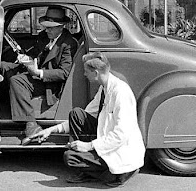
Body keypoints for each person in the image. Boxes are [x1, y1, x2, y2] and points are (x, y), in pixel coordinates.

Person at [29, 52, 145, 188]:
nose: (84, 74)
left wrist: (88, 146)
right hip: (107, 143)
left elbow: (121, 135)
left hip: (121, 151)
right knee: (76, 114)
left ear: (95, 73)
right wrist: (51, 130)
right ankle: (94, 170)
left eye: (86, 72)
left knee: (70, 158)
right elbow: (86, 114)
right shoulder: (104, 88)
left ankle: (120, 174)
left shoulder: (121, 93)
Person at [1, 6, 75, 141]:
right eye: (46, 26)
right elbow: (36, 53)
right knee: (2, 67)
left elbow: (64, 73)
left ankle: (31, 124)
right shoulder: (44, 36)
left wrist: (39, 72)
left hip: (50, 84)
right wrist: (26, 58)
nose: (47, 30)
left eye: (51, 27)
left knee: (17, 80)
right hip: (35, 71)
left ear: (61, 27)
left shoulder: (68, 43)